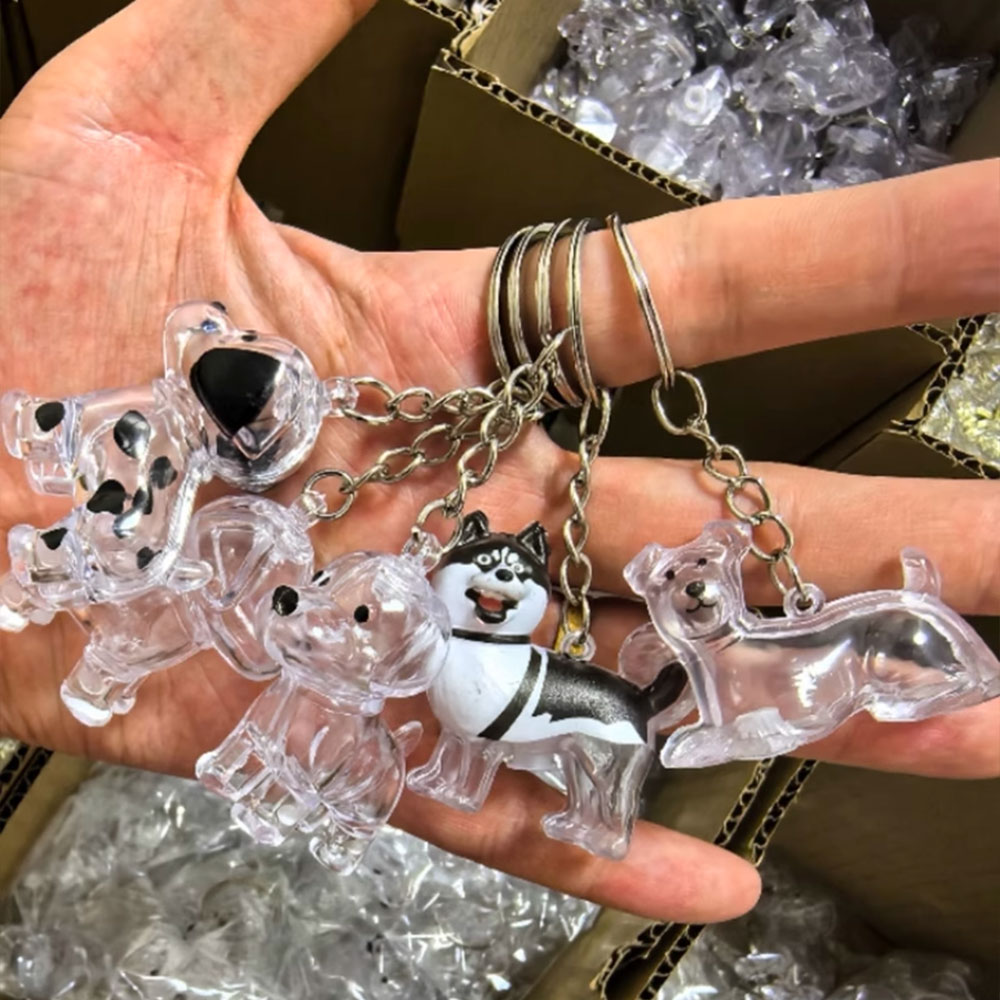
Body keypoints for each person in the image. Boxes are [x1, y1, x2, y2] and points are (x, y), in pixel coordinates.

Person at [0, 0, 997, 926]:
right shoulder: (250, 515)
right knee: (125, 554)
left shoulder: (421, 639)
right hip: (196, 500)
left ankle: (598, 796)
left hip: (447, 649)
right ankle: (56, 559)